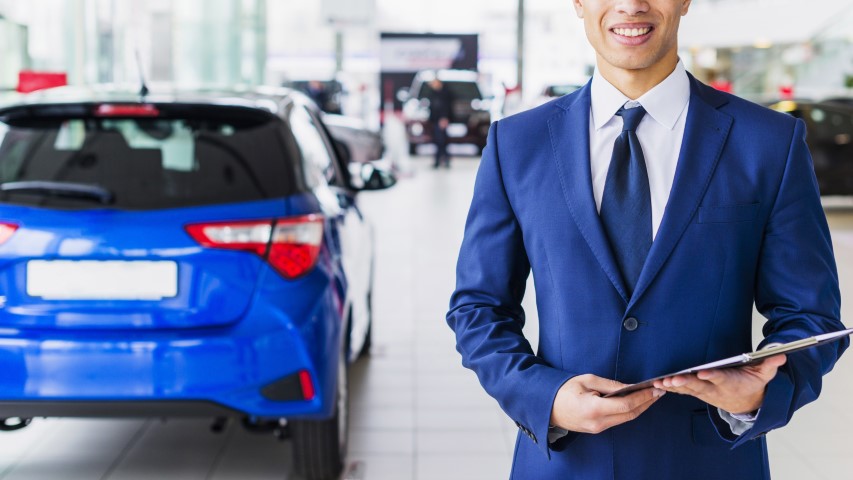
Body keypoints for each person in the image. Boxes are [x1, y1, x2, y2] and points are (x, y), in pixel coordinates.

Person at [446, 1, 848, 479]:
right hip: (566, 463)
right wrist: (543, 396)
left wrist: (761, 392)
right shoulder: (517, 143)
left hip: (709, 463)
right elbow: (478, 306)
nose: (631, 4)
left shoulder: (769, 142)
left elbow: (811, 316)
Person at [427, 77, 453, 168]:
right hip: (435, 120)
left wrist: (444, 118)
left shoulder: (445, 94)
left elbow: (446, 107)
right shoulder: (434, 94)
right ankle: (441, 160)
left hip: (441, 120)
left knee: (441, 141)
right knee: (438, 141)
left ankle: (443, 160)